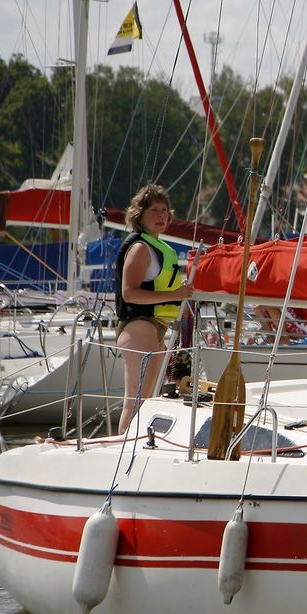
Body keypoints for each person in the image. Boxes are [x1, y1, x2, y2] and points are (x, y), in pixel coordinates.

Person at [115, 184, 193, 432]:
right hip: (139, 326)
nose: (161, 215)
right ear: (140, 215)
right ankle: (123, 450)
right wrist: (174, 294)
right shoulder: (140, 248)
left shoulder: (160, 248)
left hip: (156, 327)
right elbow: (129, 294)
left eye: (164, 210)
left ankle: (136, 446)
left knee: (147, 399)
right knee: (136, 400)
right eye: (154, 210)